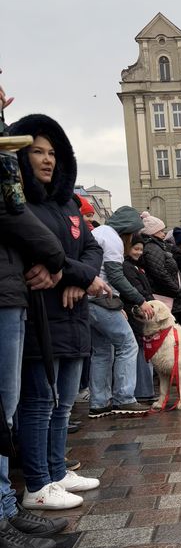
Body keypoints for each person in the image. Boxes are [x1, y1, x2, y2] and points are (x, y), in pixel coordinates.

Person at [9, 114, 105, 509]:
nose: (47, 160)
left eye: (52, 153)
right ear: (19, 154)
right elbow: (39, 254)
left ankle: (56, 469)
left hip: (72, 313)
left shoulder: (67, 205)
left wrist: (71, 275)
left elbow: (92, 251)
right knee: (38, 403)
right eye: (37, 152)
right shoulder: (20, 203)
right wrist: (75, 272)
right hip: (40, 316)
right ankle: (37, 483)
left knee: (63, 403)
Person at [0, 98, 70, 548]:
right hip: (9, 290)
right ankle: (10, 505)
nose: (47, 159)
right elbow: (13, 212)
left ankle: (5, 505)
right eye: (38, 151)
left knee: (9, 409)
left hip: (13, 291)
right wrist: (57, 259)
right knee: (12, 407)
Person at [89, 206, 153, 417]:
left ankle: (99, 403)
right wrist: (139, 300)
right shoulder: (114, 239)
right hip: (101, 299)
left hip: (89, 301)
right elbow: (115, 276)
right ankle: (124, 398)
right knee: (128, 345)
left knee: (101, 352)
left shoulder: (98, 233)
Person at [122, 234, 156, 402]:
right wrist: (148, 301)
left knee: (143, 348)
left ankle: (145, 389)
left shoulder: (136, 267)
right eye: (136, 249)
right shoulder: (128, 267)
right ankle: (143, 390)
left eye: (141, 250)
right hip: (136, 311)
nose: (139, 252)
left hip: (142, 309)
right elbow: (137, 289)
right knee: (141, 348)